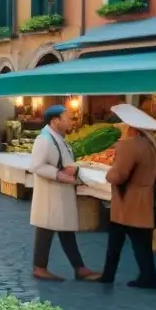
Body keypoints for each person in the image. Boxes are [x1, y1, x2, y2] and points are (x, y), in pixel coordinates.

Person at [29, 105, 100, 282]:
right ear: (55, 121)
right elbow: (37, 166)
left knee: (65, 229)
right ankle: (40, 267)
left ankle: (79, 268)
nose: (71, 121)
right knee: (46, 227)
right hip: (51, 192)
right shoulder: (44, 139)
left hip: (59, 191)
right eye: (67, 117)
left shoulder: (58, 138)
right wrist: (60, 174)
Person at [100, 104, 156, 290]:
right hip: (143, 200)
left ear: (131, 128)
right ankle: (144, 276)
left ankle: (114, 276)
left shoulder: (129, 146)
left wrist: (107, 175)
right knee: (138, 242)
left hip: (129, 201)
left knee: (124, 241)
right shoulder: (150, 143)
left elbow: (118, 175)